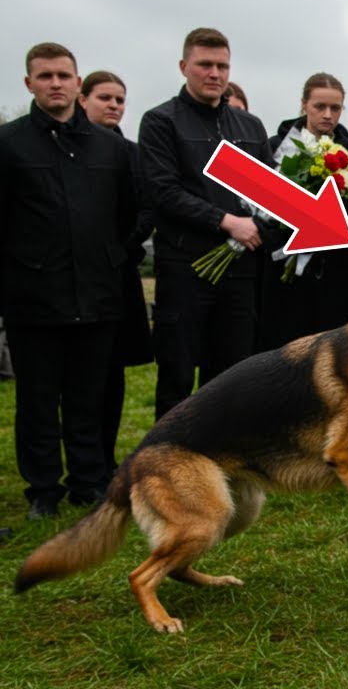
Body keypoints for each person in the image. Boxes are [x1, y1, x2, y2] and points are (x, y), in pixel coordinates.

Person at [0, 43, 137, 518]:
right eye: (45, 76)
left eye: (63, 75)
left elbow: (129, 213)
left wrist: (110, 258)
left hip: (97, 294)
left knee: (88, 398)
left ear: (78, 83)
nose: (55, 83)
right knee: (37, 401)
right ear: (29, 83)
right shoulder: (9, 144)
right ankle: (43, 489)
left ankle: (88, 480)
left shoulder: (111, 147)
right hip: (33, 298)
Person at [138, 27, 273, 419]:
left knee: (231, 378)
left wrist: (271, 222)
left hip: (240, 269)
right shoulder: (161, 122)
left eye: (222, 66)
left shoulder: (249, 127)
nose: (214, 74)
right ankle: (169, 454)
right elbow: (163, 191)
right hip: (186, 266)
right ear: (184, 66)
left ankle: (223, 452)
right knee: (178, 375)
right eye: (205, 65)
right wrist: (226, 221)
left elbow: (268, 194)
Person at [78, 71, 154, 473]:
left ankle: (104, 458)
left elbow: (146, 208)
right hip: (67, 275)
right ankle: (79, 462)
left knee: (111, 371)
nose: (113, 106)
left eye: (119, 100)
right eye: (104, 98)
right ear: (82, 98)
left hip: (116, 274)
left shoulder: (131, 153)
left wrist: (121, 248)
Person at [256, 72, 348, 351]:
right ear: (304, 104)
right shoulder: (276, 147)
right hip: (284, 265)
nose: (328, 115)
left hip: (335, 269)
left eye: (335, 108)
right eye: (319, 106)